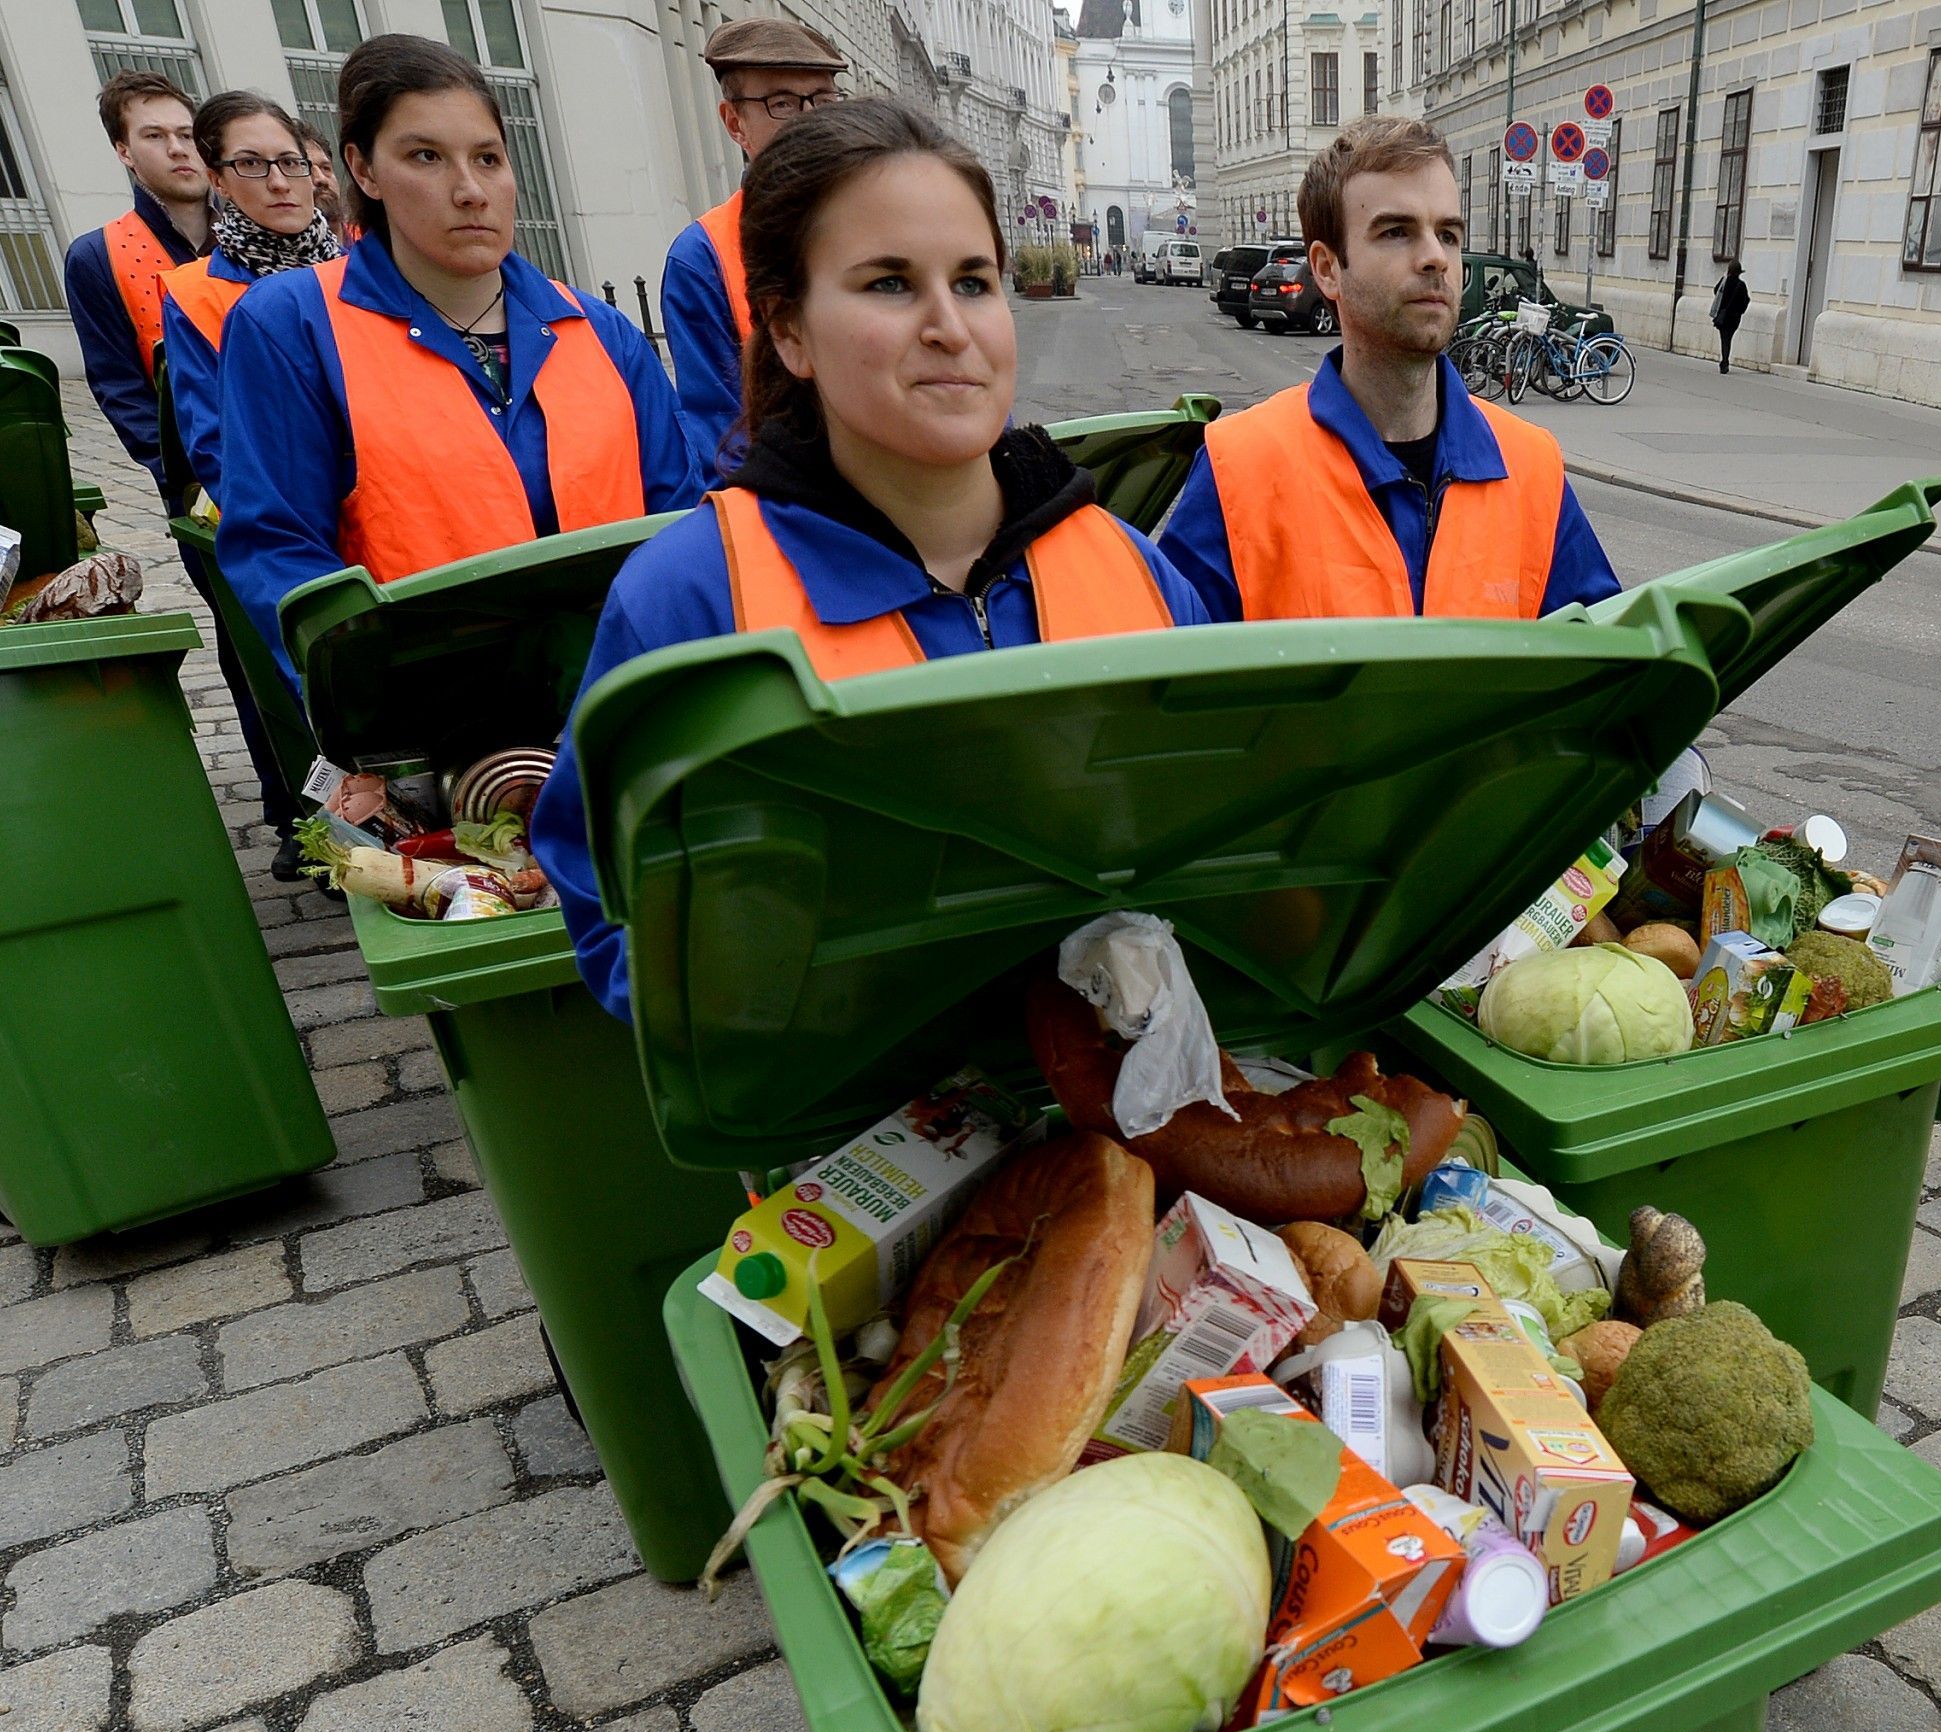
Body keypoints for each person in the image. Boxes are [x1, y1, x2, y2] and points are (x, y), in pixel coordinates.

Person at [531, 99, 1213, 1019]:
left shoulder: (1127, 564)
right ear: (789, 332)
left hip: (1123, 1113)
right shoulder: (693, 596)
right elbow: (612, 901)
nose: (949, 325)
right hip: (840, 1129)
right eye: (889, 284)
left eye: (974, 281)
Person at [217, 35, 700, 690]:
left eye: (488, 158)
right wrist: (373, 718)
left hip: (621, 698)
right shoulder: (295, 326)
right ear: (363, 170)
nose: (470, 189)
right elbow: (282, 552)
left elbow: (676, 523)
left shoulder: (602, 332)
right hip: (429, 719)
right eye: (427, 157)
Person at [1154, 116, 1618, 622]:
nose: (1435, 257)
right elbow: (1164, 675)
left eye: (1448, 233)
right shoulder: (1240, 470)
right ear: (1328, 268)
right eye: (1396, 232)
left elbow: (1610, 674)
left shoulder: (1530, 468)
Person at [659, 15, 848, 479]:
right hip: (795, 519)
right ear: (734, 121)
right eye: (781, 102)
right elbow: (725, 444)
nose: (808, 120)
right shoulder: (703, 257)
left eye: (821, 100)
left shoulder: (893, 221)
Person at [159, 92, 340, 506]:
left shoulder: (361, 273)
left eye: (291, 162)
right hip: (296, 516)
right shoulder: (196, 297)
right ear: (217, 179)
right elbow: (216, 447)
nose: (279, 182)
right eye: (251, 164)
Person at [62, 70, 209, 477]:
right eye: (155, 136)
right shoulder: (98, 256)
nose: (178, 149)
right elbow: (117, 385)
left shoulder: (252, 235)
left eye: (186, 134)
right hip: (197, 485)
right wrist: (178, 476)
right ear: (124, 151)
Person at [1712, 253, 1748, 373]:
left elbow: (1715, 291)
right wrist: (1740, 311)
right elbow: (1746, 300)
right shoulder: (1741, 285)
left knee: (1724, 339)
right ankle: (1725, 361)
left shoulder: (1724, 281)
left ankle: (1725, 361)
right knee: (1728, 338)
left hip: (1723, 316)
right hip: (1734, 318)